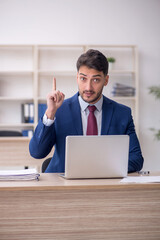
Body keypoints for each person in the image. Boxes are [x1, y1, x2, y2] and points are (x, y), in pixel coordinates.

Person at [29, 49, 144, 173]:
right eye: (83, 79)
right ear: (77, 78)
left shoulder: (122, 114)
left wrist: (99, 170)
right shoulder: (59, 110)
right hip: (62, 187)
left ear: (106, 80)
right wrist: (50, 112)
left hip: (105, 185)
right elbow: (37, 152)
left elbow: (136, 159)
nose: (88, 87)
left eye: (95, 80)